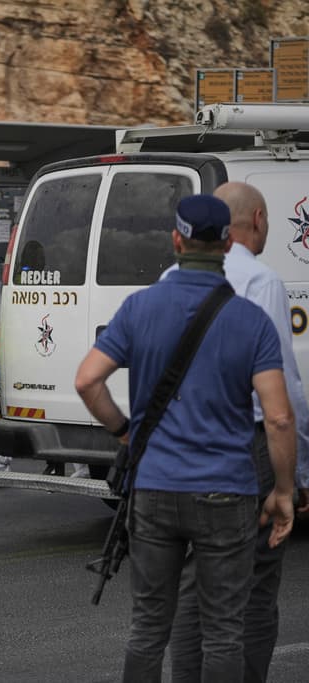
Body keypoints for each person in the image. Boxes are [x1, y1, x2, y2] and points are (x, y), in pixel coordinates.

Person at [74, 194, 295, 682]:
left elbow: (88, 381)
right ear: (227, 242)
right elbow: (278, 418)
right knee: (223, 632)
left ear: (175, 240)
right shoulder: (250, 319)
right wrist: (283, 491)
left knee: (148, 627)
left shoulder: (139, 307)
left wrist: (123, 431)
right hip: (227, 491)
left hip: (154, 489)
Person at [169, 183, 309, 682]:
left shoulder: (170, 276)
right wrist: (295, 476)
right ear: (256, 219)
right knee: (254, 582)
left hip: (183, 445)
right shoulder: (262, 280)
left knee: (195, 582)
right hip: (242, 445)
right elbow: (281, 396)